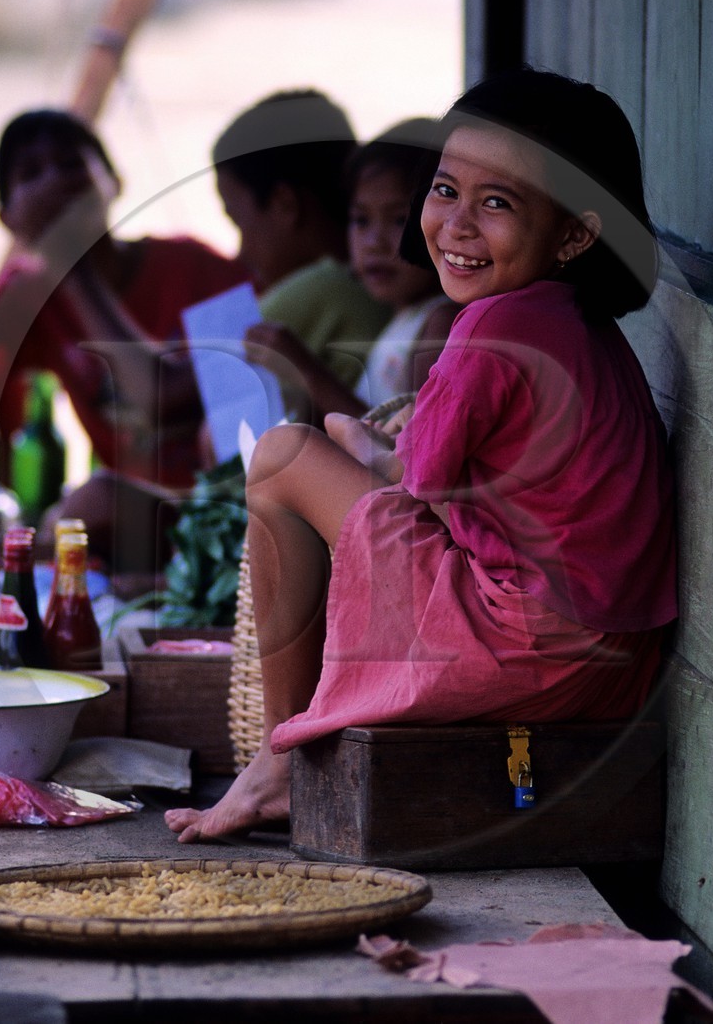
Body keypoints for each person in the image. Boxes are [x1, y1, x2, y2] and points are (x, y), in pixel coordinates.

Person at [166, 67, 676, 843]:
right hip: (611, 663)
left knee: (279, 457)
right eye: (445, 191)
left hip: (524, 648)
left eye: (498, 202)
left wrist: (354, 441)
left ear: (574, 232)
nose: (459, 224)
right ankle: (282, 758)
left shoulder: (490, 327)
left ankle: (277, 756)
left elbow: (414, 482)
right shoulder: (580, 325)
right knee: (317, 448)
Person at [0, 108, 248, 580]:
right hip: (128, 535)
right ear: (8, 217)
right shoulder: (36, 295)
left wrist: (67, 263)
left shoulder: (194, 268)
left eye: (71, 164)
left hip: (225, 520)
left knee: (90, 504)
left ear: (113, 181)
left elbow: (162, 400)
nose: (54, 181)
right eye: (31, 173)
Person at [244, 118, 460, 421]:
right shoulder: (402, 318)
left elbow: (407, 447)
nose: (374, 243)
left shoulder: (441, 321)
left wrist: (305, 370)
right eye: (361, 220)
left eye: (399, 220)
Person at [209, 89, 391, 425]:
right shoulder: (382, 286)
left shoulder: (326, 284)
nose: (241, 252)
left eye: (239, 222)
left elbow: (167, 391)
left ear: (284, 204)